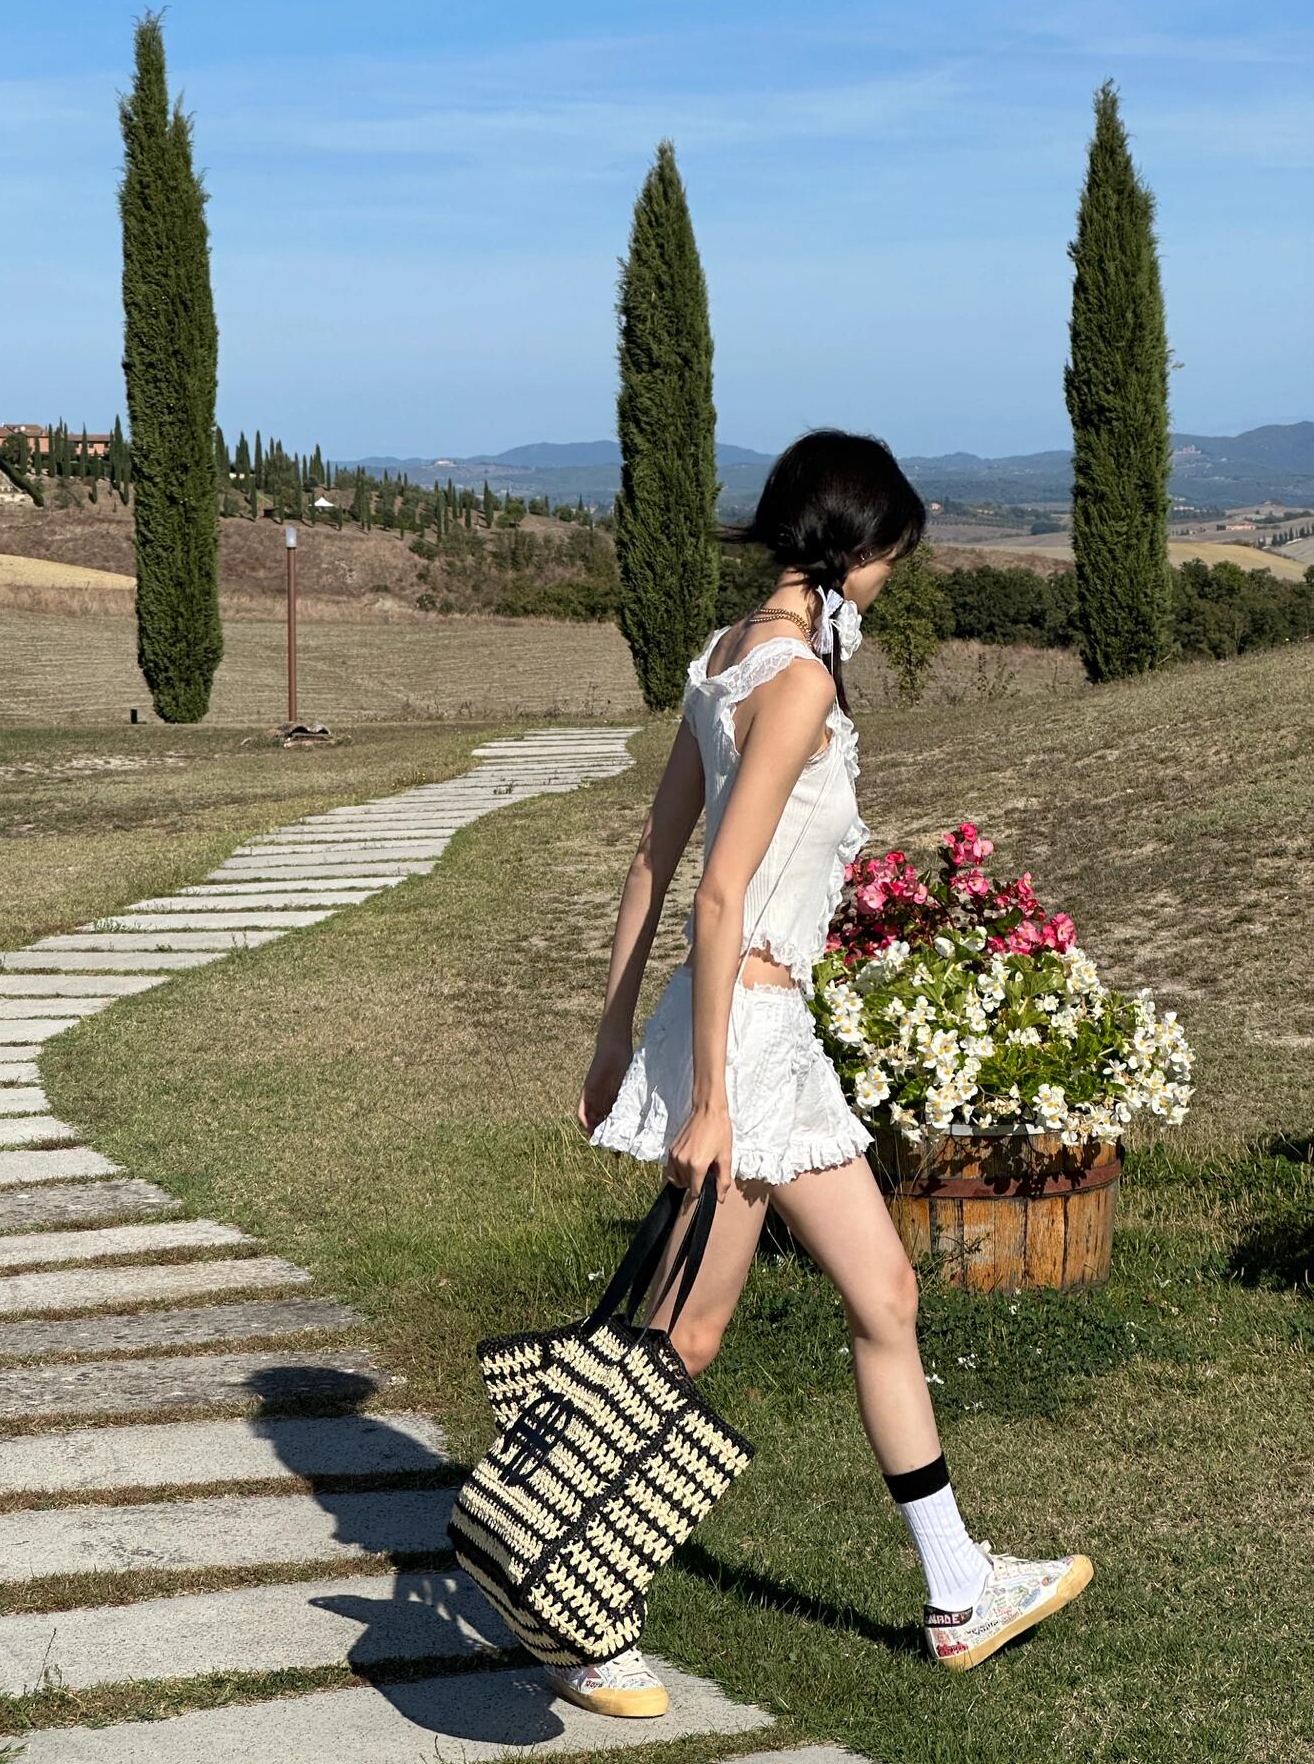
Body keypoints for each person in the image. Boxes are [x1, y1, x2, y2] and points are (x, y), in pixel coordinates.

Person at [549, 431, 1092, 1721]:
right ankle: (585, 1602)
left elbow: (650, 859)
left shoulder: (726, 653)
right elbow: (715, 889)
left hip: (754, 1034)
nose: (893, 575)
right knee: (686, 1334)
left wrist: (617, 1032)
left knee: (884, 1291)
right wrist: (707, 1097)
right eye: (893, 552)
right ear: (852, 548)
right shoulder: (790, 681)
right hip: (745, 1041)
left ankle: (958, 1590)